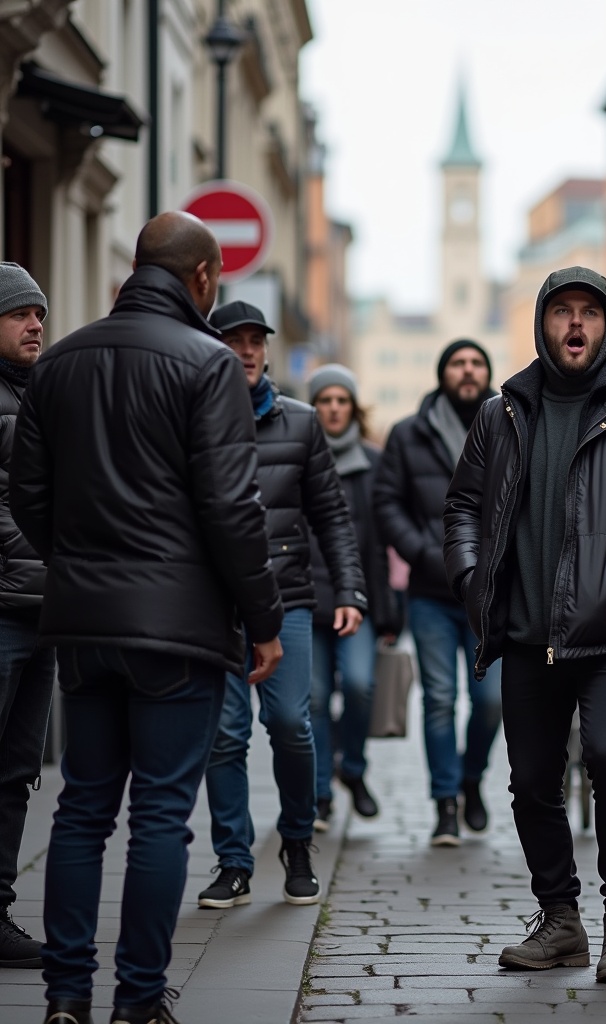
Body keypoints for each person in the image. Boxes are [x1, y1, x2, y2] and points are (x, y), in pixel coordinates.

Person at [11, 212, 285, 1024]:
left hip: (83, 626)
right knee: (162, 812)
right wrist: (262, 619)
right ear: (202, 279)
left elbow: (28, 493)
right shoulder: (208, 365)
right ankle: (137, 999)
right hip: (177, 628)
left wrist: (81, 561)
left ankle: (65, 997)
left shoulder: (60, 361)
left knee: (81, 808)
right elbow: (233, 510)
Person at [444, 266, 606, 983]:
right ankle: (560, 920)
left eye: (590, 312)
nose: (576, 325)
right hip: (526, 632)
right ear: (543, 323)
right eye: (563, 313)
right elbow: (463, 505)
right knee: (531, 782)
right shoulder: (503, 414)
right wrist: (471, 577)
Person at [200, 302, 367, 911]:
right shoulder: (192, 417)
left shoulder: (300, 423)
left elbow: (332, 517)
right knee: (224, 735)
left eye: (255, 340)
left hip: (287, 598)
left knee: (292, 724)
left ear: (267, 350)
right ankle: (234, 861)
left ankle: (297, 841)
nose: (246, 350)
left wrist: (349, 590)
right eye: (233, 340)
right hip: (213, 605)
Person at [375, 339, 501, 846]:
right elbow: (387, 505)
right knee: (440, 700)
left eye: (476, 363)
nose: (467, 371)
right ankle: (445, 803)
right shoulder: (409, 434)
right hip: (430, 591)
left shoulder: (511, 423)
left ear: (486, 373)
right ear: (442, 373)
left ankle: (471, 779)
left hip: (493, 593)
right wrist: (426, 554)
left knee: (490, 701)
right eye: (458, 363)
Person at [306, 364, 402, 828]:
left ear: (353, 408)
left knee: (362, 686)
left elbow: (380, 544)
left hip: (356, 600)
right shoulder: (297, 453)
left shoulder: (373, 461)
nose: (334, 408)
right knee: (317, 698)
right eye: (325, 401)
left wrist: (387, 612)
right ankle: (320, 792)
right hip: (305, 600)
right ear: (314, 407)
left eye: (342, 400)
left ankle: (354, 768)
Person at [0, 264, 51, 970]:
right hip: (6, 604)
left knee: (16, 770)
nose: (36, 323)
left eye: (39, 313)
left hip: (46, 609)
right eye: (19, 315)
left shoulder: (43, 393)